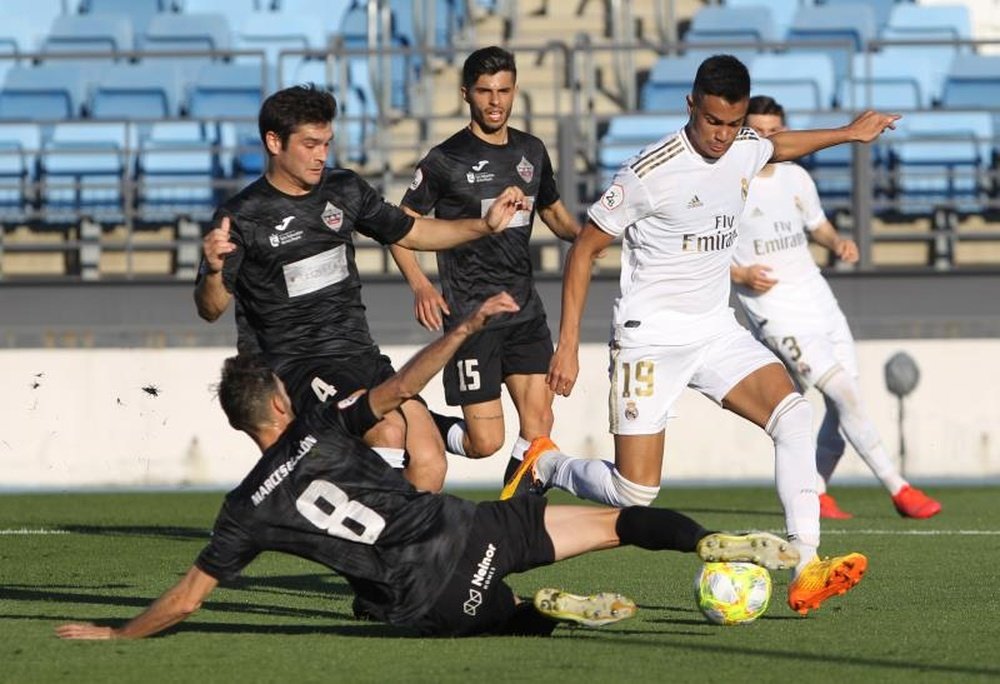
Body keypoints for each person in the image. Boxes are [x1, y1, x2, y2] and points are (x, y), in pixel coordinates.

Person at [55, 293, 798, 641]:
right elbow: (404, 386)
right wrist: (468, 326)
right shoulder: (321, 425)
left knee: (489, 620)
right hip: (473, 526)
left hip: (431, 591)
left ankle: (542, 613)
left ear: (247, 423)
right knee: (620, 521)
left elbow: (186, 600)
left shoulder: (246, 507)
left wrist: (118, 635)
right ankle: (706, 542)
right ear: (280, 403)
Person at [504, 54, 900, 615]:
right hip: (650, 340)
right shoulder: (648, 171)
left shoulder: (744, 145)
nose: (722, 136)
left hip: (716, 330)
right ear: (691, 105)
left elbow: (778, 145)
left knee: (794, 414)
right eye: (713, 121)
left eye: (733, 124)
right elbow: (586, 248)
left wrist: (849, 133)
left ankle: (807, 563)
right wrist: (568, 344)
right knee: (634, 493)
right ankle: (546, 462)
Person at [194, 84, 527, 493]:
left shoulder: (344, 189)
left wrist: (484, 226)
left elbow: (413, 230)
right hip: (296, 364)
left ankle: (403, 553)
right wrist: (213, 270)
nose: (321, 155)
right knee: (386, 431)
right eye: (310, 144)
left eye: (327, 143)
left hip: (359, 353)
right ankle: (362, 538)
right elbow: (210, 309)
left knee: (429, 456)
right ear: (274, 142)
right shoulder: (241, 216)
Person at [731, 95, 942, 520]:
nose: (767, 139)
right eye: (757, 132)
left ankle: (818, 489)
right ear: (743, 133)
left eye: (775, 131)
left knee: (848, 398)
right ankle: (898, 488)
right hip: (775, 309)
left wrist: (837, 242)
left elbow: (816, 225)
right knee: (842, 392)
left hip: (817, 297)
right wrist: (740, 275)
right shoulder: (731, 182)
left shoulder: (796, 179)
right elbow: (705, 249)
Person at [390, 46, 581, 484]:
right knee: (485, 444)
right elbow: (400, 228)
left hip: (524, 310)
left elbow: (551, 211)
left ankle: (516, 521)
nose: (495, 101)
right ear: (465, 94)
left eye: (504, 90)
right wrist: (420, 284)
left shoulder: (531, 151)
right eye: (484, 91)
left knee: (539, 429)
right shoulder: (445, 159)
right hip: (471, 316)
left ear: (515, 91)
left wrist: (587, 238)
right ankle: (412, 417)